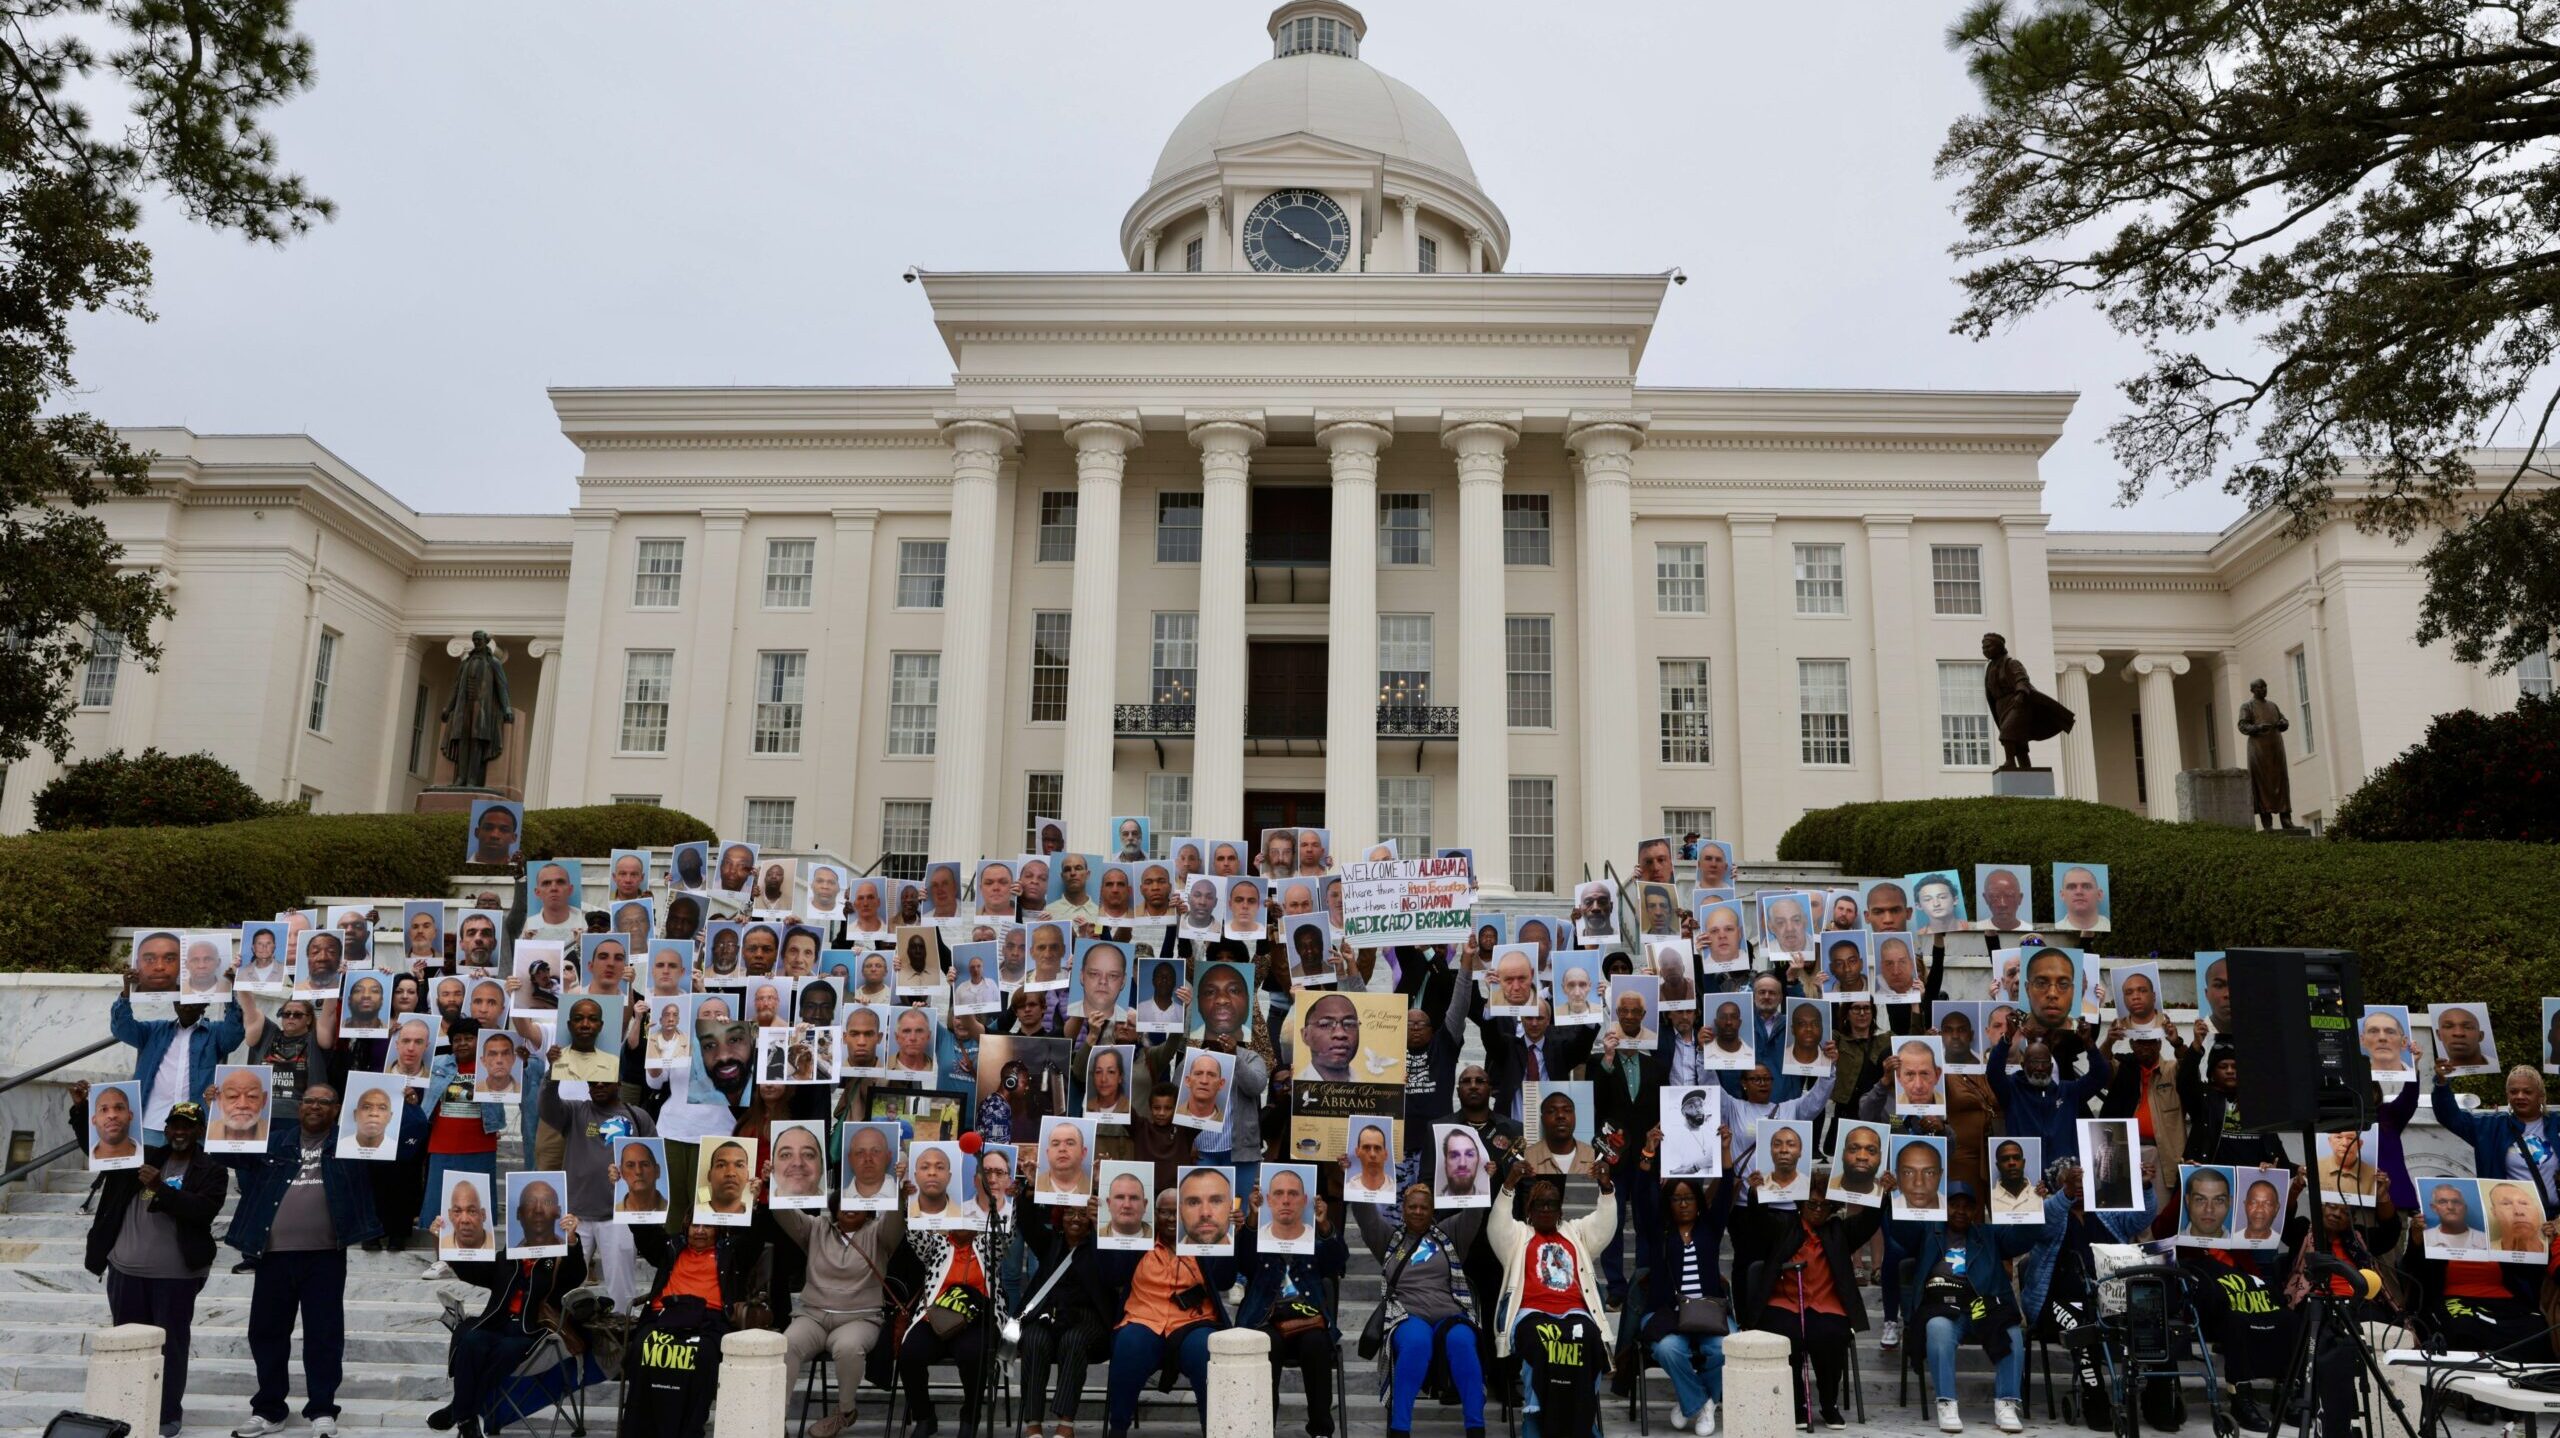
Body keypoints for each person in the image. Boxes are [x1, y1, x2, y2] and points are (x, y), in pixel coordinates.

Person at [211, 1083, 381, 1438]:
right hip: (272, 1255)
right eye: (309, 1101)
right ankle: (269, 1410)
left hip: (325, 1257)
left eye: (324, 1101)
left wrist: (405, 1103)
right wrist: (216, 1108)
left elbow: (405, 1144)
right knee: (266, 1332)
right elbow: (225, 1151)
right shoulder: (274, 1141)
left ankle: (322, 1410)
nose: (315, 1106)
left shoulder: (353, 1143)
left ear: (337, 1109)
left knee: (324, 1335)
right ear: (299, 1106)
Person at [73, 1089, 226, 1437]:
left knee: (171, 1348)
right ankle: (124, 1410)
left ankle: (167, 1413)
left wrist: (161, 1189)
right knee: (126, 1347)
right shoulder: (143, 1155)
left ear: (199, 1130)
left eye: (187, 1126)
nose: (180, 1132)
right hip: (125, 1271)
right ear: (166, 1129)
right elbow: (98, 1147)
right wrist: (81, 1111)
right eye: (174, 1125)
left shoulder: (212, 1170)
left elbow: (202, 1211)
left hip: (175, 1276)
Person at [1897, 1179, 2052, 1435]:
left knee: (2011, 1332)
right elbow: (1900, 1229)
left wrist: (2036, 1205)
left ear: (1975, 1211)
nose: (1960, 1211)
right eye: (1954, 1205)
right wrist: (1890, 1197)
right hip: (1942, 1307)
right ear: (1943, 1207)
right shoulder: (1927, 1231)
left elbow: (2022, 1239)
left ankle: (2007, 1404)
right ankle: (1946, 1402)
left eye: (1967, 1206)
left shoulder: (1989, 1234)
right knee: (1937, 1328)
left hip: (1984, 1306)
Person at [1737, 1169, 1882, 1427]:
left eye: (1823, 1206)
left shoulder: (1839, 1231)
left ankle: (1828, 1404)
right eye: (1811, 1204)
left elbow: (1869, 1222)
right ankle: (1797, 1404)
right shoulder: (1784, 1225)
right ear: (1801, 1204)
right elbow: (1758, 1221)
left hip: (1827, 1305)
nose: (1817, 1210)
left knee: (1831, 1336)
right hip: (1785, 1303)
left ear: (1832, 1208)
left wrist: (1883, 1193)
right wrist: (1755, 1193)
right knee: (1787, 1336)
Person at [429, 1207, 586, 1438]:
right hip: (496, 1323)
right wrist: (443, 1240)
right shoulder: (507, 1257)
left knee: (505, 1350)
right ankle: (466, 1416)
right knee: (471, 1340)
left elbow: (576, 1276)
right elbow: (471, 1270)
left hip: (531, 1330)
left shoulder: (556, 1259)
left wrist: (571, 1241)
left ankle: (460, 1412)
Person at [1489, 1164, 1618, 1438]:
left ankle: (1583, 1419)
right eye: (1540, 1205)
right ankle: (1535, 1416)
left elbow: (1605, 1225)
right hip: (1532, 1313)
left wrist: (1606, 1188)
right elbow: (1497, 1224)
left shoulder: (1576, 1233)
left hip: (1574, 1312)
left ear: (1561, 1210)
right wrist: (1509, 1184)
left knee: (1590, 1340)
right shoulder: (1518, 1235)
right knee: (1540, 1343)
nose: (1546, 1210)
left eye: (1552, 1205)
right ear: (1529, 1209)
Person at [1351, 1180, 1488, 1438]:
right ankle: (1400, 1429)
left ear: (1432, 1210)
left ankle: (1476, 1428)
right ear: (1403, 1209)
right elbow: (1365, 1215)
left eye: (1424, 1207)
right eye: (1412, 1207)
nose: (1417, 1211)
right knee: (1417, 1343)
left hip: (1450, 1314)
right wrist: (1353, 1177)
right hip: (1408, 1314)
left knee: (1463, 1342)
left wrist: (1480, 1176)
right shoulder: (1389, 1239)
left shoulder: (1449, 1233)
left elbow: (1474, 1212)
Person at [1101, 1185, 1242, 1434]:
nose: (1170, 1218)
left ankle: (1214, 1430)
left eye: (1176, 1212)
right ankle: (1117, 1429)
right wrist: (1101, 1227)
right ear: (1154, 1214)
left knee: (1205, 1350)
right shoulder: (1138, 1241)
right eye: (1164, 1212)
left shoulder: (1203, 1241)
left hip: (1193, 1323)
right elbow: (1112, 1275)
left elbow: (1224, 1282)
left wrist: (1230, 1237)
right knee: (1128, 1344)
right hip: (1144, 1320)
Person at [773, 1201, 899, 1438]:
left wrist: (900, 1195)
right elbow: (784, 1210)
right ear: (833, 1206)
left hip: (860, 1317)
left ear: (869, 1206)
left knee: (848, 1348)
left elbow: (896, 1219)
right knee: (786, 1345)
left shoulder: (878, 1232)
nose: (849, 1207)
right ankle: (776, 1420)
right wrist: (773, 1186)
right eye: (844, 1202)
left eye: (856, 1202)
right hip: (813, 1316)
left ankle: (845, 1411)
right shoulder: (816, 1227)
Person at [1237, 1177, 1346, 1436]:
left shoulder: (1314, 1236)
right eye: (1278, 1193)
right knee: (1267, 1344)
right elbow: (1242, 1263)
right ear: (1268, 1199)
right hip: (1265, 1317)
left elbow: (1337, 1264)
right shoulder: (1257, 1233)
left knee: (1316, 1343)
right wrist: (1252, 1219)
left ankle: (1321, 1430)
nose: (1286, 1200)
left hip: (1306, 1317)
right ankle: (1263, 1429)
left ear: (1305, 1200)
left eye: (1293, 1194)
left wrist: (1324, 1225)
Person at [112, 970, 247, 1146]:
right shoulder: (154, 1030)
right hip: (151, 1123)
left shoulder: (215, 1033)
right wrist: (126, 993)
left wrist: (230, 992)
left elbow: (234, 1035)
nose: (186, 1004)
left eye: (192, 999)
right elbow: (122, 1029)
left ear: (205, 1004)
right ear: (174, 1001)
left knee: (192, 1165)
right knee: (149, 1165)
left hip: (193, 1127)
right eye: (181, 998)